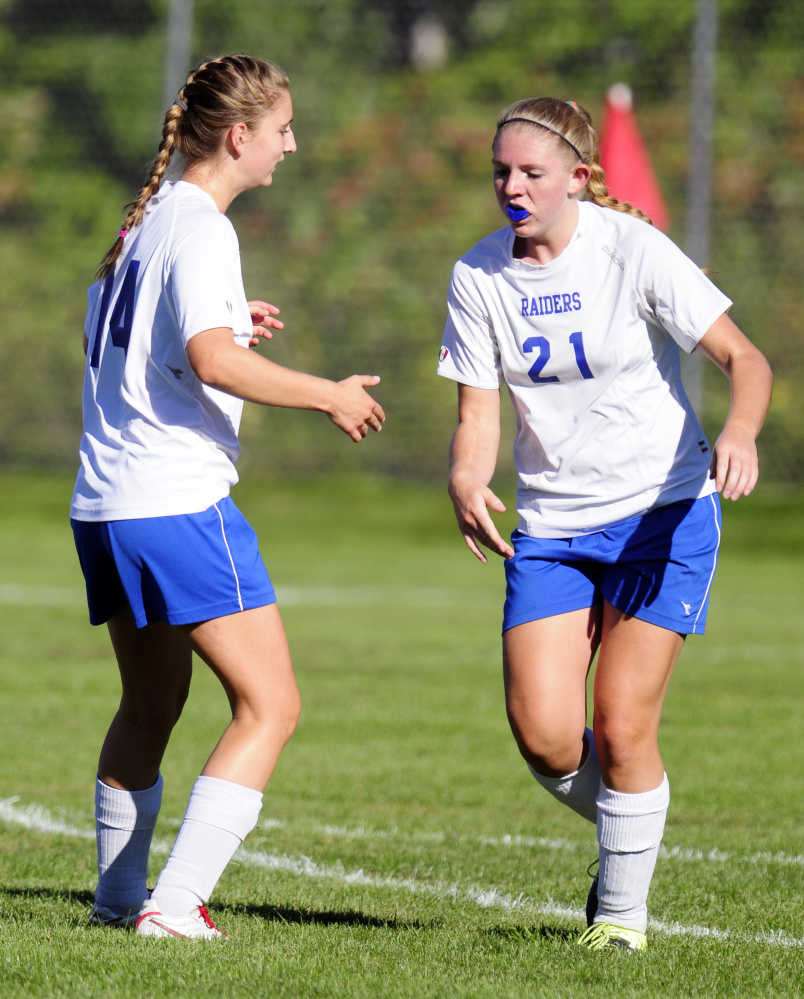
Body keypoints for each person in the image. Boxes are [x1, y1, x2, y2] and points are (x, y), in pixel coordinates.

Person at [438, 97, 771, 952]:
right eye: (501, 172)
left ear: (579, 178)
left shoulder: (633, 249)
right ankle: (638, 807)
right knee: (546, 735)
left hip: (663, 516)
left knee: (623, 726)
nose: (512, 187)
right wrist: (466, 475)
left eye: (533, 173)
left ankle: (620, 918)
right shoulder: (477, 276)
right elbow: (480, 411)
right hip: (551, 528)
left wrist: (739, 431)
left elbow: (746, 359)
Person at [70, 53, 385, 939]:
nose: (293, 145)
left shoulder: (149, 222)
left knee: (151, 704)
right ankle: (172, 908)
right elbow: (209, 362)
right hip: (174, 503)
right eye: (283, 129)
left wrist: (234, 320)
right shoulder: (204, 226)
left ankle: (117, 901)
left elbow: (153, 348)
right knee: (272, 705)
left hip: (106, 505)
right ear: (239, 136)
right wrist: (328, 391)